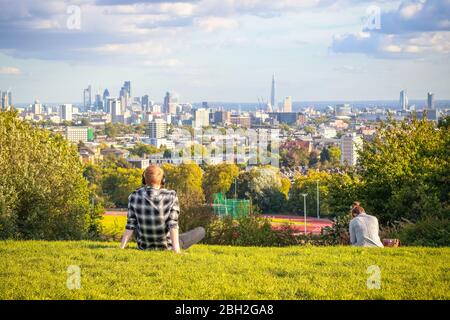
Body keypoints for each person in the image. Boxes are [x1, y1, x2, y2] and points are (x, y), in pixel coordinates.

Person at [120, 165, 205, 253]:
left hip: (144, 246)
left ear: (144, 180)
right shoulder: (171, 195)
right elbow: (172, 224)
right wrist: (177, 251)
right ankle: (175, 244)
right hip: (166, 245)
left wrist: (122, 247)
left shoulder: (134, 195)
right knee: (201, 231)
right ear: (162, 180)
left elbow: (131, 224)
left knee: (137, 221)